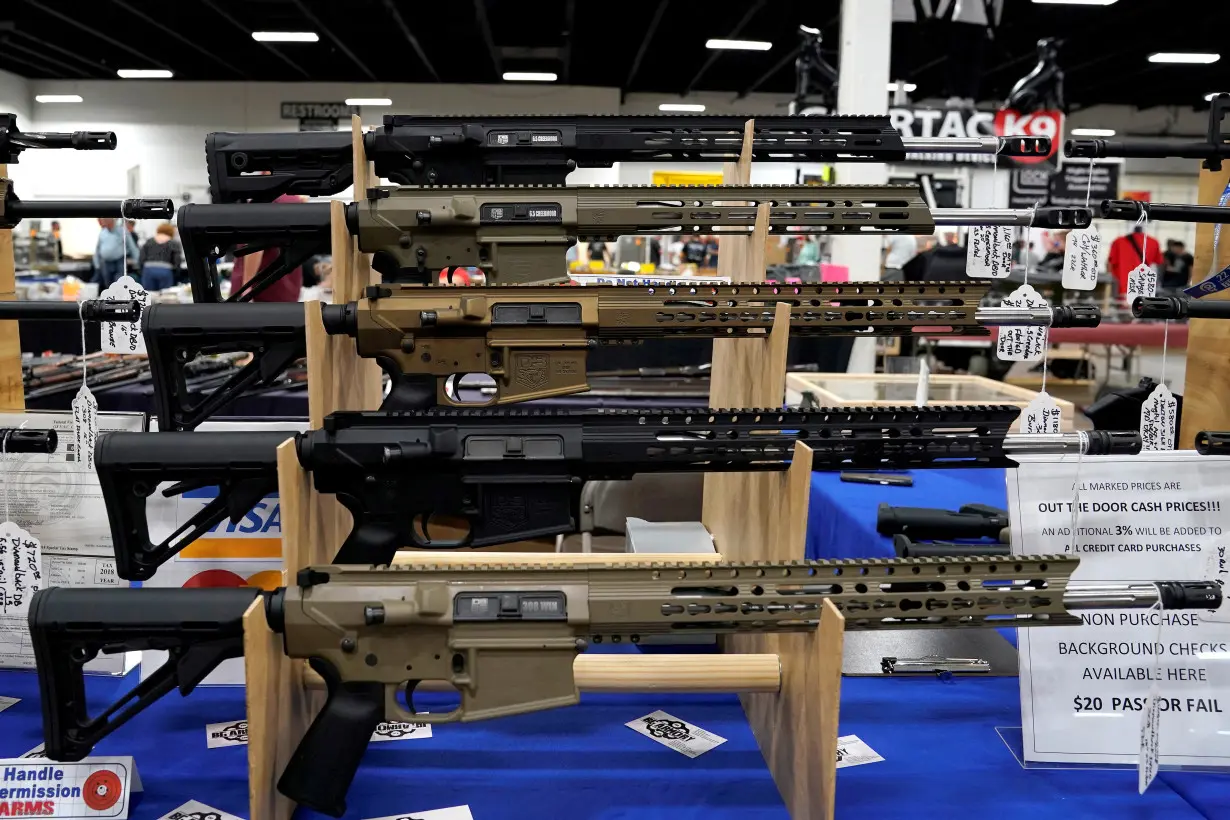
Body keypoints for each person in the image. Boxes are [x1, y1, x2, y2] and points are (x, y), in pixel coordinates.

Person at [228, 194, 305, 301]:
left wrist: (246, 288)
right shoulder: (295, 201)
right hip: (287, 290)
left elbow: (254, 248)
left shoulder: (264, 201)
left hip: (261, 294)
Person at [1107, 225, 1163, 296]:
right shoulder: (1154, 242)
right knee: (1141, 304)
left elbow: (1110, 263)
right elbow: (1159, 262)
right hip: (1142, 283)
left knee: (1121, 304)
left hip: (1122, 286)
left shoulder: (1118, 242)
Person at [92, 218, 139, 289]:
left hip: (119, 262)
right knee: (108, 285)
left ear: (111, 220)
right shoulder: (102, 232)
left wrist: (136, 261)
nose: (103, 221)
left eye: (105, 219)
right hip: (106, 263)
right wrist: (97, 264)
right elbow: (97, 249)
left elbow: (132, 246)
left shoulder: (122, 231)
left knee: (119, 285)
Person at [137, 223, 184, 291]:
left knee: (149, 295)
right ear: (171, 232)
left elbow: (141, 258)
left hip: (148, 270)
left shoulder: (149, 241)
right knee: (165, 295)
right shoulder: (174, 243)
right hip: (165, 271)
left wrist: (142, 271)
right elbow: (177, 261)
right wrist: (176, 273)